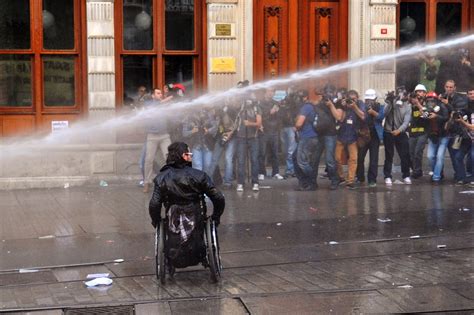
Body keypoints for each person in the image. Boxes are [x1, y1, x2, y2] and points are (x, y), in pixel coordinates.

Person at [149, 142, 225, 267]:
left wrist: (156, 221)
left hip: (173, 219)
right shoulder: (199, 176)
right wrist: (216, 216)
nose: (191, 157)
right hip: (196, 216)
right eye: (190, 154)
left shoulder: (161, 178)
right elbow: (218, 197)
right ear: (184, 156)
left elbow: (154, 203)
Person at [313, 85, 343, 190]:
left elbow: (338, 117)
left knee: (330, 160)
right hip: (319, 134)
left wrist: (331, 105)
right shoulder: (320, 103)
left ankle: (335, 180)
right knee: (314, 159)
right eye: (326, 92)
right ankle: (312, 182)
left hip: (330, 134)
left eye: (330, 92)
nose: (329, 94)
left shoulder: (338, 103)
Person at [143, 88, 172, 193]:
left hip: (164, 135)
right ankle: (147, 182)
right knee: (148, 160)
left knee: (169, 158)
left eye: (161, 93)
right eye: (158, 93)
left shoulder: (165, 105)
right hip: (152, 136)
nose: (160, 95)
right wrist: (165, 101)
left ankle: (170, 182)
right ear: (153, 96)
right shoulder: (149, 104)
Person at [335, 90, 366, 189]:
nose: (352, 101)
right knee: (337, 158)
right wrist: (342, 105)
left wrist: (354, 106)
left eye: (354, 99)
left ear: (357, 98)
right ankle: (341, 177)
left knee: (353, 159)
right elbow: (339, 118)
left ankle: (350, 181)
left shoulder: (360, 104)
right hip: (341, 135)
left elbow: (362, 116)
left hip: (353, 136)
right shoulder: (342, 104)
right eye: (350, 99)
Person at [383, 88, 412, 185]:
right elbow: (384, 113)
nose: (401, 96)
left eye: (403, 94)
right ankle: (387, 176)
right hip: (388, 132)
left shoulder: (408, 106)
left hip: (400, 132)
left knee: (404, 155)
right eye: (399, 94)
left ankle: (406, 175)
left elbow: (406, 122)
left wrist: (399, 131)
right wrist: (391, 102)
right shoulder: (392, 102)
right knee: (389, 155)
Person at [356, 89, 384, 187]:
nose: (369, 102)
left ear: (375, 99)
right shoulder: (361, 106)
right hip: (363, 134)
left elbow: (381, 117)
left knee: (374, 158)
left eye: (371, 99)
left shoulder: (380, 106)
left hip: (375, 135)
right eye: (367, 100)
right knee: (360, 157)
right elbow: (360, 117)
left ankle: (372, 179)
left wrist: (372, 111)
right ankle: (360, 177)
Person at [293, 89, 320, 191]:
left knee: (302, 162)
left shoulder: (306, 107)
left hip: (307, 137)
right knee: (295, 157)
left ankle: (311, 182)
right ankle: (304, 181)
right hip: (309, 137)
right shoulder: (308, 106)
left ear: (305, 97)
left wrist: (295, 127)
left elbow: (299, 123)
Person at [235, 95, 262, 192]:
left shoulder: (256, 108)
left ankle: (255, 182)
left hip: (253, 138)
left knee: (254, 160)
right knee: (241, 161)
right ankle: (240, 183)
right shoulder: (240, 107)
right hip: (241, 138)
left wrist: (249, 123)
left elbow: (259, 123)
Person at [258, 88, 284, 180]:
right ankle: (261, 172)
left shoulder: (276, 103)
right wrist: (270, 112)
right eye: (269, 91)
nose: (271, 93)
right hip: (264, 130)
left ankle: (276, 172)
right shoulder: (260, 103)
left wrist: (277, 113)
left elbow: (280, 116)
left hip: (274, 131)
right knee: (262, 153)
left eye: (272, 91)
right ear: (265, 93)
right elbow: (259, 116)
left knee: (275, 153)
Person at [182, 107, 218, 173]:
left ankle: (203, 181)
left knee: (207, 165)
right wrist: (192, 131)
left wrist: (208, 131)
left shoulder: (208, 115)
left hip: (207, 145)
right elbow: (184, 133)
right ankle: (199, 182)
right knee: (198, 166)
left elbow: (215, 127)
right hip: (196, 146)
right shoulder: (188, 117)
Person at [425, 92, 449, 184]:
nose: (431, 103)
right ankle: (438, 172)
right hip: (432, 136)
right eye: (428, 101)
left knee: (439, 156)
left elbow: (446, 118)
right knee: (430, 156)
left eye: (432, 101)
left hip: (443, 136)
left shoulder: (442, 107)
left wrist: (436, 116)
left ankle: (436, 177)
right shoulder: (427, 109)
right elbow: (423, 120)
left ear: (436, 101)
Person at [407, 84, 429, 179]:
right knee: (411, 153)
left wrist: (418, 104)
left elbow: (426, 114)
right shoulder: (410, 104)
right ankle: (415, 169)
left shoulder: (427, 102)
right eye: (418, 92)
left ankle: (417, 171)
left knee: (417, 152)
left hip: (423, 132)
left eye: (421, 92)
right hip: (412, 132)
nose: (419, 94)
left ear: (425, 93)